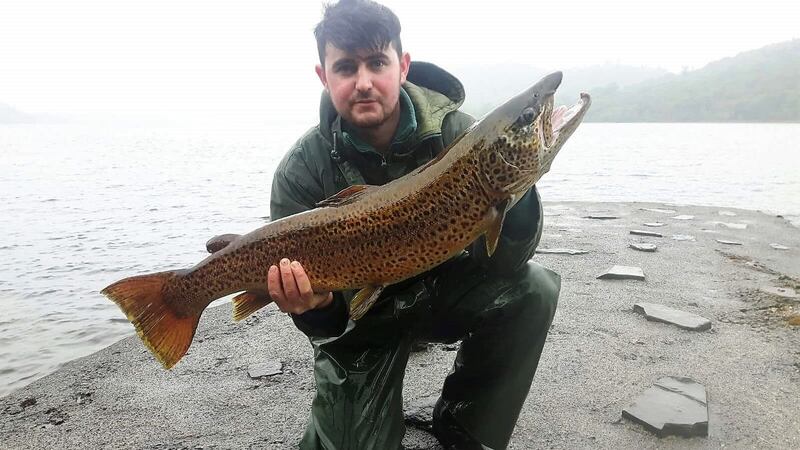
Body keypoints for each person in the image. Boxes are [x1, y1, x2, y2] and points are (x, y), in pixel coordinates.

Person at [266, 1, 560, 448]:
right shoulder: (301, 172)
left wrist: (512, 192)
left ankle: (465, 420)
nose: (363, 82)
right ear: (324, 77)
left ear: (402, 67)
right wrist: (315, 306)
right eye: (346, 67)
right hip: (360, 325)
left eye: (376, 63)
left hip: (441, 296)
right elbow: (325, 325)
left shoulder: (461, 135)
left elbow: (507, 263)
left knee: (533, 288)